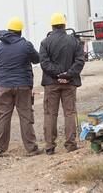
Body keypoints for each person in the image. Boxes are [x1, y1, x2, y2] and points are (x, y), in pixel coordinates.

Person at [0, 16, 41, 157]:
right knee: (26, 116)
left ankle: (0, 148)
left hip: (3, 87)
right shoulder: (26, 45)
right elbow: (37, 59)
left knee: (3, 117)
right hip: (23, 86)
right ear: (20, 32)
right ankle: (31, 148)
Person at [39, 12, 85, 155]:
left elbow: (44, 63)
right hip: (69, 83)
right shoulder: (74, 41)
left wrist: (56, 74)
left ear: (52, 26)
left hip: (51, 84)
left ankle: (49, 146)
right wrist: (67, 74)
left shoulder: (45, 42)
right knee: (69, 113)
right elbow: (80, 61)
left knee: (50, 114)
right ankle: (71, 144)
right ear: (64, 25)